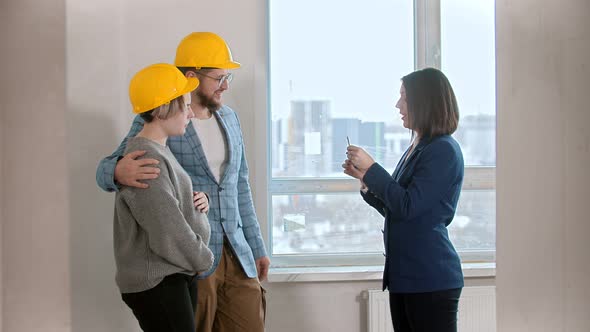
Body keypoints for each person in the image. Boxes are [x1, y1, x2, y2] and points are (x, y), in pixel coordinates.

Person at [96, 32, 269, 332]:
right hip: (192, 257)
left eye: (228, 77)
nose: (226, 85)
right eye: (219, 78)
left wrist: (256, 246)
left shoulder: (229, 118)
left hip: (237, 253)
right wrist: (116, 172)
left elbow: (240, 186)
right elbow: (108, 167)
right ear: (192, 75)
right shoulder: (162, 116)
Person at [343, 67, 464, 332]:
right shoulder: (418, 146)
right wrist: (365, 179)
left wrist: (373, 167)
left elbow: (409, 206)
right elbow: (396, 206)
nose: (398, 105)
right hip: (407, 278)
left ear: (424, 102)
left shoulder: (443, 150)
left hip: (430, 279)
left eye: (404, 98)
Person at [114, 63, 213, 332]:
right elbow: (167, 230)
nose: (191, 113)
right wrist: (205, 258)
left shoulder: (159, 152)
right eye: (184, 104)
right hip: (159, 281)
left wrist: (200, 202)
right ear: (161, 109)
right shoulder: (146, 159)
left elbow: (173, 207)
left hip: (173, 276)